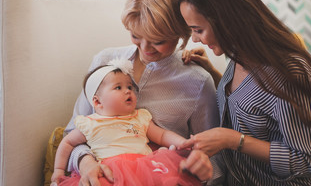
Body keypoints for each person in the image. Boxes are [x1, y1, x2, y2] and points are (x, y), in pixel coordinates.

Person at [179, 0, 311, 185]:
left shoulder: (290, 72)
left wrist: (233, 140)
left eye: (198, 30)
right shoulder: (238, 56)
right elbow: (251, 104)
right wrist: (213, 73)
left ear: (226, 20)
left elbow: (307, 161)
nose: (194, 39)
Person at [64, 0, 221, 185]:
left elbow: (214, 157)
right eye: (136, 35)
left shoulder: (197, 81)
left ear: (180, 34)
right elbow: (71, 133)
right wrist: (85, 163)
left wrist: (201, 166)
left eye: (158, 41)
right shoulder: (104, 61)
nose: (145, 49)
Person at [51, 59, 202, 186]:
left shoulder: (139, 117)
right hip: (108, 170)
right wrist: (58, 170)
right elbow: (67, 143)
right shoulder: (90, 123)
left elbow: (162, 135)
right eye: (118, 87)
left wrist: (183, 142)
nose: (128, 91)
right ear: (97, 102)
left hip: (146, 167)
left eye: (129, 86)